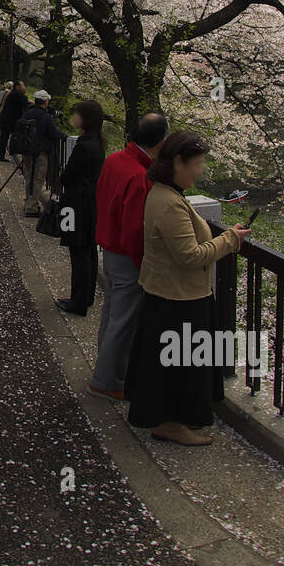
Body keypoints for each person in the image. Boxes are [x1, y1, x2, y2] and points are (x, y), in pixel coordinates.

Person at [126, 131, 252, 447]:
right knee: (181, 366)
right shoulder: (169, 203)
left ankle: (172, 421)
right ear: (178, 163)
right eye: (196, 164)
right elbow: (190, 257)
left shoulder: (166, 193)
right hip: (179, 298)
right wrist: (230, 240)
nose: (199, 171)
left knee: (176, 364)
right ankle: (172, 424)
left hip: (171, 294)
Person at [90, 113, 169, 401]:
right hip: (126, 256)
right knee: (123, 321)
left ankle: (107, 370)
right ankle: (107, 380)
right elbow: (135, 230)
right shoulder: (139, 175)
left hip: (109, 248)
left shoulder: (114, 161)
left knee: (112, 314)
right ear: (160, 142)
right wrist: (144, 266)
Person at [51, 101, 109, 316]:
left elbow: (68, 176)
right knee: (88, 253)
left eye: (77, 115)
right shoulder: (98, 143)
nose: (74, 118)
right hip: (90, 205)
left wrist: (63, 175)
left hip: (75, 206)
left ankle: (78, 301)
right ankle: (86, 297)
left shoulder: (84, 146)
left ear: (86, 119)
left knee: (78, 252)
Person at [14, 89, 59, 215]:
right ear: (45, 101)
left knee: (28, 177)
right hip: (39, 153)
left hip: (26, 151)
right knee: (38, 179)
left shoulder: (27, 113)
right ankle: (32, 207)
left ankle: (29, 202)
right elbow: (54, 134)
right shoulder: (46, 117)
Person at [0, 80, 28, 162]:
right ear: (17, 86)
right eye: (22, 85)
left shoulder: (14, 93)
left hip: (6, 119)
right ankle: (1, 156)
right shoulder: (16, 94)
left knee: (4, 137)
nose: (24, 87)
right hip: (8, 120)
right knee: (4, 138)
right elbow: (24, 101)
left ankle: (0, 155)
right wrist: (24, 93)